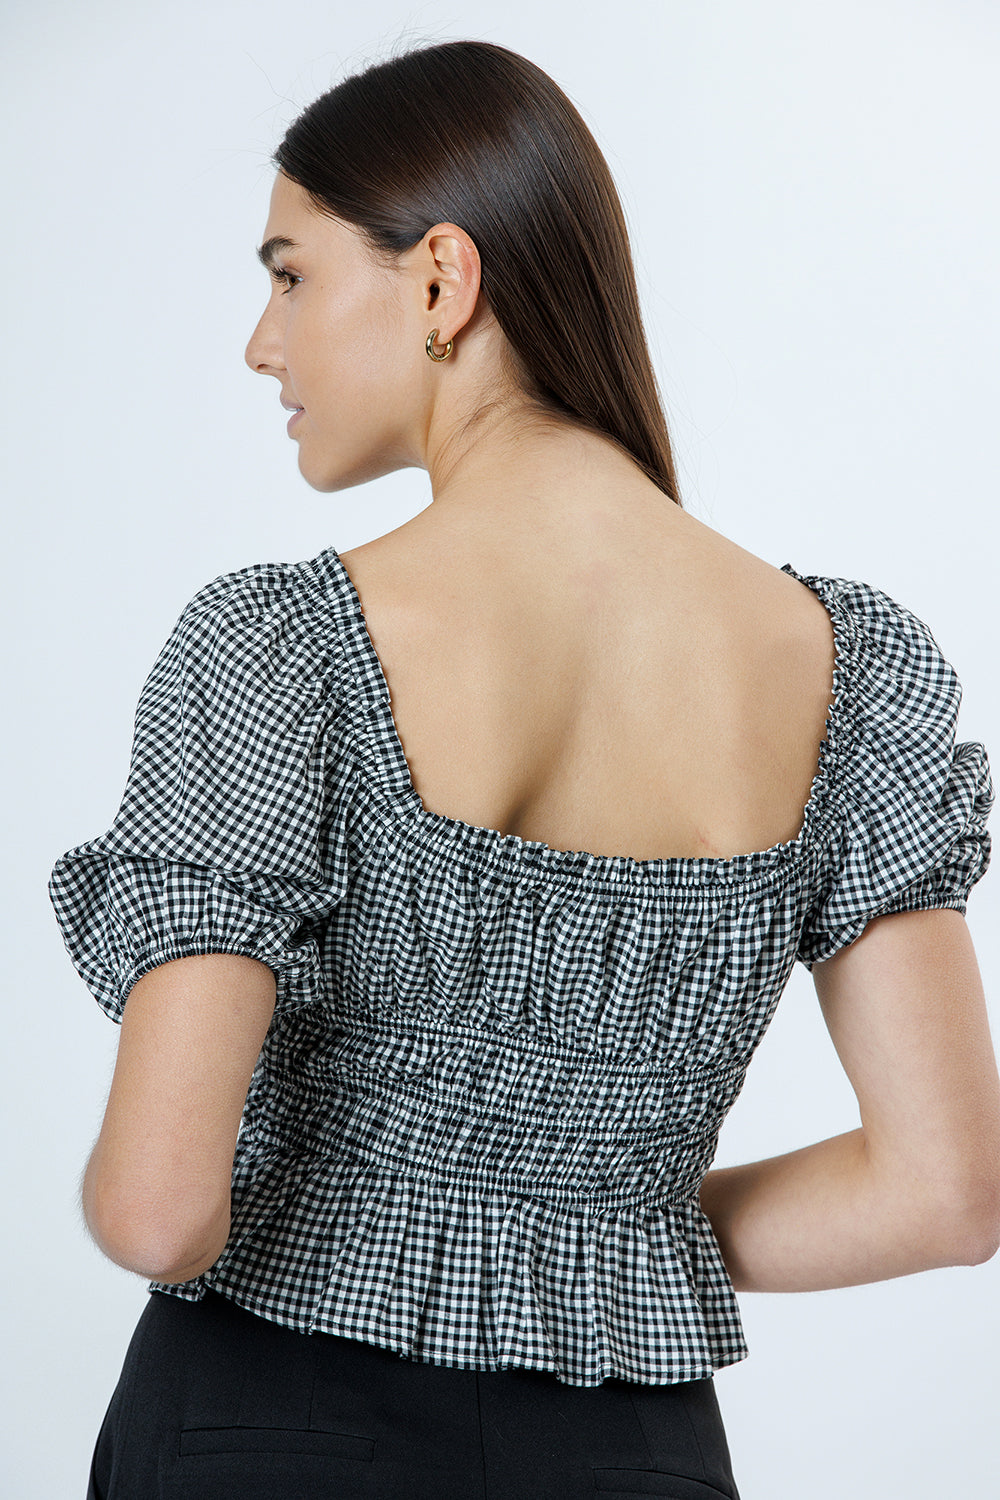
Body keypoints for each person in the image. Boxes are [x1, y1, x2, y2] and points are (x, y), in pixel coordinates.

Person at [48, 38, 998, 1500]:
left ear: (439, 279)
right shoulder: (840, 666)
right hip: (636, 1450)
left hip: (268, 1428)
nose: (260, 341)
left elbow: (163, 1212)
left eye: (290, 273)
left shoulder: (275, 649)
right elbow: (944, 1196)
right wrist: (594, 1235)